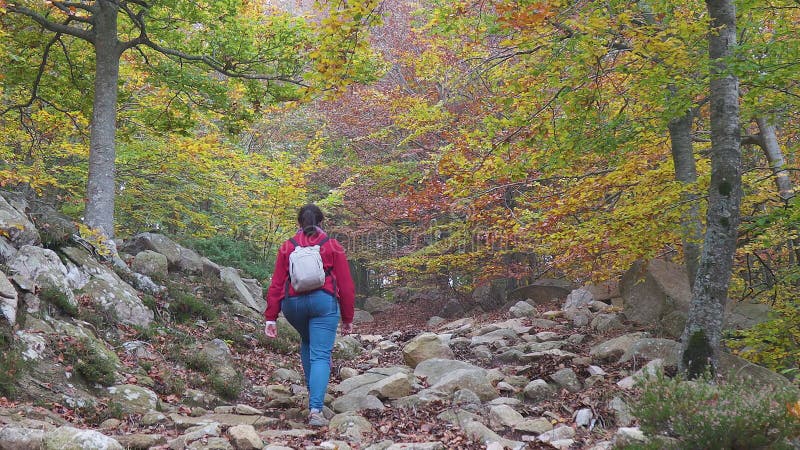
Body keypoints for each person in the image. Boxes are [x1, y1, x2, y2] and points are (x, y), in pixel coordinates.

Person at [263, 204, 355, 427]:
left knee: (307, 341)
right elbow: (345, 284)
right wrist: (347, 317)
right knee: (321, 355)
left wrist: (271, 317)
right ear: (321, 223)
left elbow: (276, 283)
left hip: (293, 305)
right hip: (324, 303)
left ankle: (314, 392)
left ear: (299, 223)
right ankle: (315, 410)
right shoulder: (333, 246)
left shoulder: (287, 247)